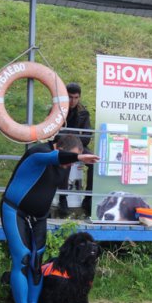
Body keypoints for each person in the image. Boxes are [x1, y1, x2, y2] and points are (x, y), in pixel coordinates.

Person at [1, 134, 99, 303]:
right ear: (58, 147)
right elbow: (54, 158)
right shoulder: (38, 153)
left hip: (39, 216)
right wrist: (78, 158)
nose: (70, 165)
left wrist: (85, 157)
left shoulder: (66, 162)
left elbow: (68, 157)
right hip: (15, 211)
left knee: (37, 264)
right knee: (23, 259)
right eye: (70, 158)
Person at [57, 82, 93, 217]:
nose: (73, 101)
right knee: (65, 161)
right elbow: (52, 132)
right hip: (62, 146)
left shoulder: (83, 112)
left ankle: (88, 199)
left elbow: (88, 136)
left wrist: (74, 141)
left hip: (79, 146)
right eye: (70, 97)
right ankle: (62, 199)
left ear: (79, 97)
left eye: (76, 97)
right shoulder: (58, 109)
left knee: (94, 162)